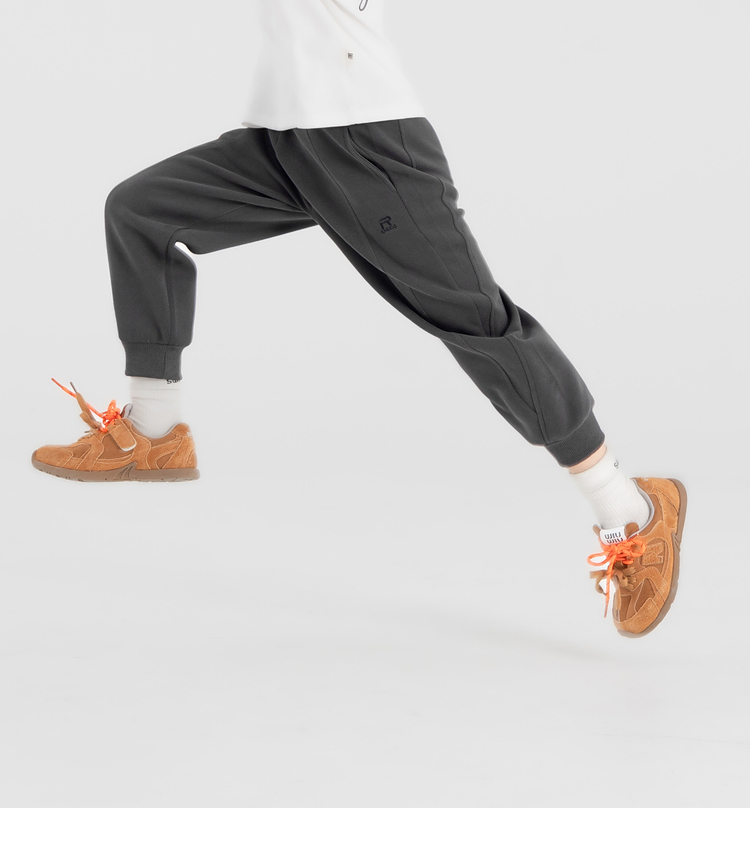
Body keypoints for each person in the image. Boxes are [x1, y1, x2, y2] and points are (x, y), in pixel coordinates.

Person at [30, 0, 686, 638]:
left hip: (365, 140)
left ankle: (629, 506)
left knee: (481, 327)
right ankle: (154, 429)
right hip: (284, 140)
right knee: (140, 212)